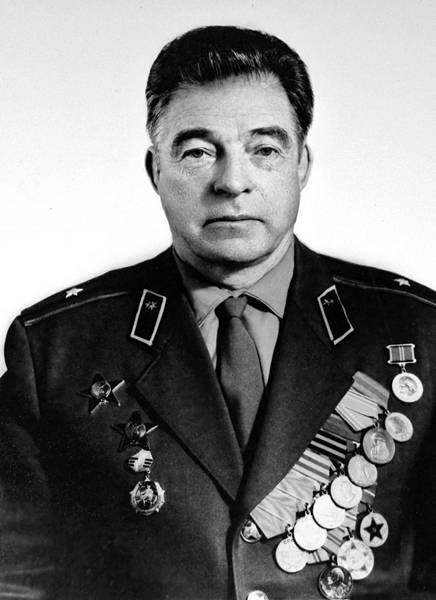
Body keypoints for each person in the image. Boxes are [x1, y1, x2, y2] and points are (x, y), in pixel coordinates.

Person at [0, 25, 435, 600]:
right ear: (156, 170)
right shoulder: (56, 350)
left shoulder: (419, 332)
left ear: (302, 165)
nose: (232, 182)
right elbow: (15, 582)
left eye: (264, 150)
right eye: (198, 152)